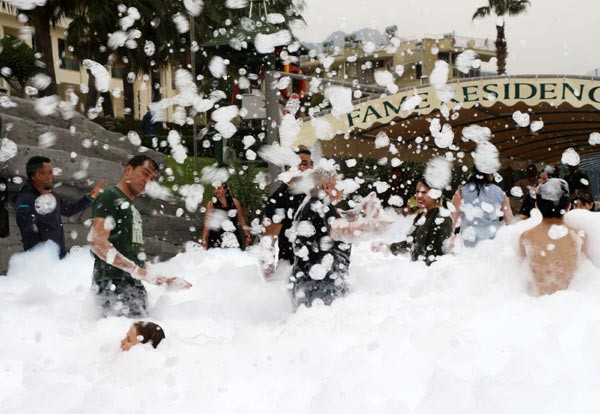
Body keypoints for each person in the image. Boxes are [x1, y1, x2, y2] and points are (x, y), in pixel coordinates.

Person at [89, 155, 191, 318]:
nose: (148, 181)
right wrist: (136, 271)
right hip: (112, 286)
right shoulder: (110, 196)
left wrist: (162, 280)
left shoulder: (132, 209)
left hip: (132, 286)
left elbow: (133, 255)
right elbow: (98, 243)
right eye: (145, 173)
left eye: (152, 179)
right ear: (128, 170)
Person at [290, 166, 391, 308]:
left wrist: (359, 211)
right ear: (326, 185)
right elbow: (341, 229)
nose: (342, 188)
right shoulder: (322, 206)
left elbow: (338, 217)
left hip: (304, 283)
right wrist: (369, 227)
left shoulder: (309, 205)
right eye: (338, 183)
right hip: (321, 287)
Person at [15, 156, 105, 258]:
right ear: (39, 175)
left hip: (58, 258)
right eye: (49, 172)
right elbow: (27, 227)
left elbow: (69, 210)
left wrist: (89, 197)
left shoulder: (52, 195)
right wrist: (44, 201)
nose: (52, 176)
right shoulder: (24, 198)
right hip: (39, 261)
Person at [519, 178, 586, 295]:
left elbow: (520, 271)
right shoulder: (580, 236)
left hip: (536, 306)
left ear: (537, 206)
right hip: (574, 305)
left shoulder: (526, 237)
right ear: (568, 206)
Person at [372, 178, 453, 266]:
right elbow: (412, 244)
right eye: (417, 192)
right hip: (417, 272)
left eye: (423, 192)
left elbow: (441, 255)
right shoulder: (420, 216)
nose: (418, 195)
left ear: (435, 194)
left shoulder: (442, 218)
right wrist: (389, 247)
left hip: (430, 274)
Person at [262, 149, 313, 276]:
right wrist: (269, 280)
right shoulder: (278, 199)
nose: (310, 168)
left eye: (311, 163)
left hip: (315, 268)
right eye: (304, 163)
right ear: (290, 167)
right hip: (290, 270)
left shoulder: (312, 193)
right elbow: (268, 243)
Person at [451, 168, 514, 247]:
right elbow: (510, 220)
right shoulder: (500, 192)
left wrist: (450, 238)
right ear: (490, 174)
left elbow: (453, 219)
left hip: (470, 241)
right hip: (494, 241)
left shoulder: (461, 191)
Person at [201, 182, 251, 249]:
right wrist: (204, 240)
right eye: (214, 189)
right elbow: (207, 224)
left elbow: (241, 220)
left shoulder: (234, 202)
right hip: (215, 238)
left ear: (225, 190)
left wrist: (247, 235)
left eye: (219, 188)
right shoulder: (211, 204)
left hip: (232, 237)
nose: (216, 191)